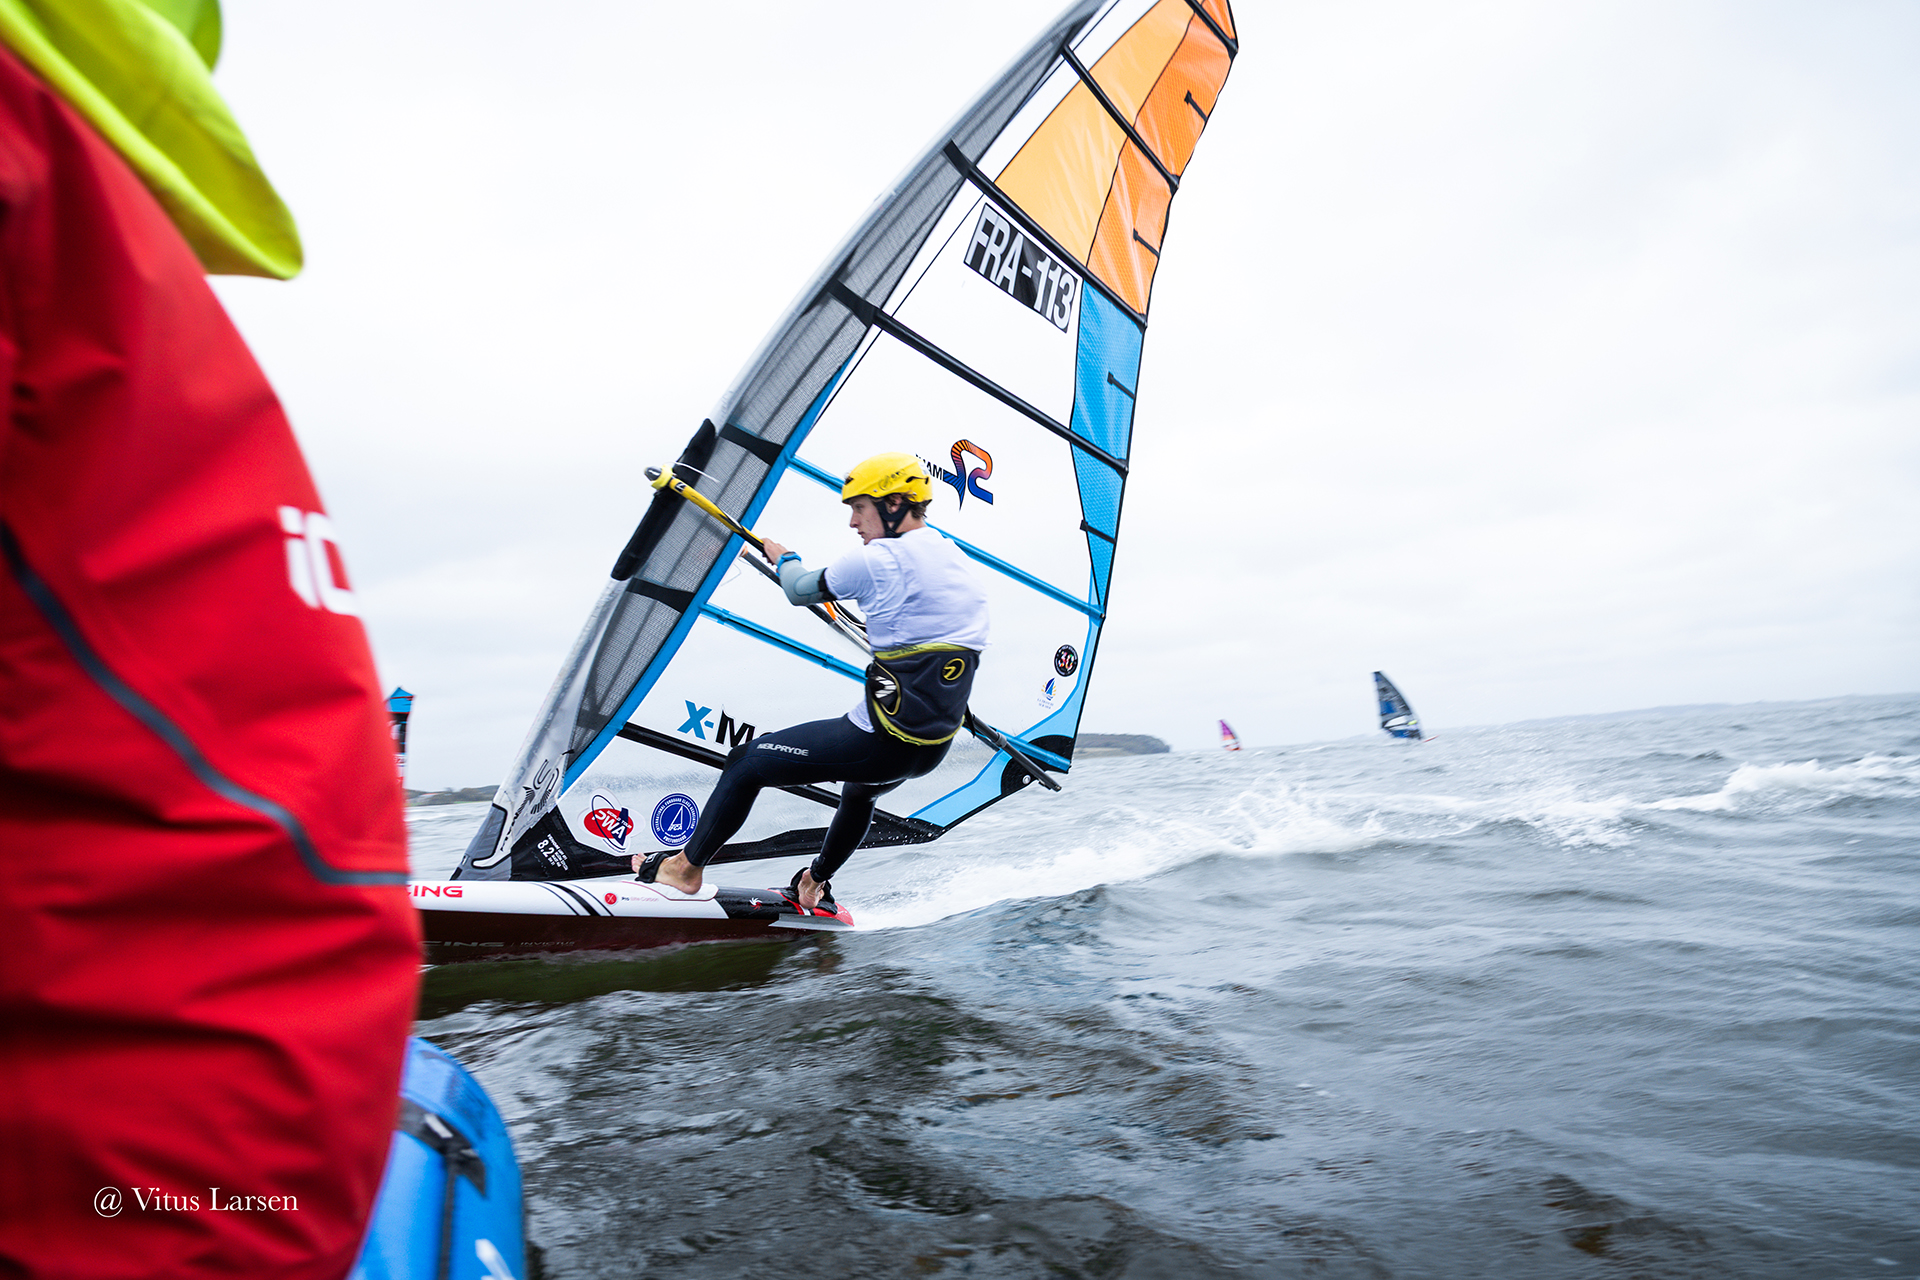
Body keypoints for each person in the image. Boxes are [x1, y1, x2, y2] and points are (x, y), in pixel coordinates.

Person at [0, 6, 419, 1277]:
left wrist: (797, 573)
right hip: (247, 1172)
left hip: (115, 1199)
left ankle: (767, 879)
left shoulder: (34, 183)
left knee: (752, 768)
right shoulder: (132, 275)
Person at [634, 453, 989, 909]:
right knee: (860, 792)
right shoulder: (953, 559)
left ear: (895, 504)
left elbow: (799, 589)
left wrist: (784, 557)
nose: (853, 522)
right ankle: (814, 881)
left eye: (859, 508)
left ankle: (685, 869)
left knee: (745, 764)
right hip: (932, 746)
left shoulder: (879, 559)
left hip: (882, 742)